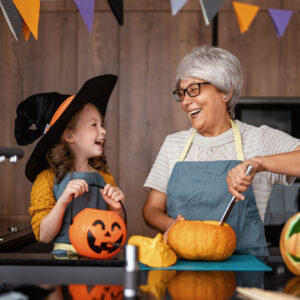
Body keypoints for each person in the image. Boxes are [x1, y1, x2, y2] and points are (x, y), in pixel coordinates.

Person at [143, 46, 300, 256]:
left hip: (245, 273)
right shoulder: (174, 144)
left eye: (194, 89)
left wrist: (259, 163)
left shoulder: (258, 139)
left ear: (225, 91)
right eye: (182, 93)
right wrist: (173, 226)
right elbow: (151, 210)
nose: (186, 101)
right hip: (181, 268)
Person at [15, 75, 125, 257]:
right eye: (94, 125)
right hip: (63, 265)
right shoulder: (47, 179)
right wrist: (63, 200)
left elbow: (114, 235)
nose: (103, 130)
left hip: (99, 263)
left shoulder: (105, 178)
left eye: (102, 125)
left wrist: (116, 209)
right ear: (69, 135)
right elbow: (43, 235)